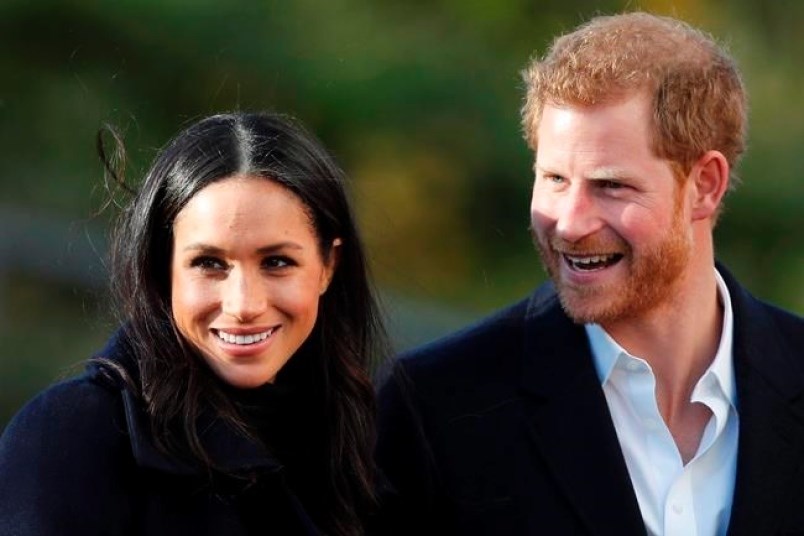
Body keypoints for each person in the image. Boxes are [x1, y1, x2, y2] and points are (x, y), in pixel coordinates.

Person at [375, 11, 804, 536]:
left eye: (610, 186)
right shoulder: (435, 408)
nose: (570, 224)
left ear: (705, 185)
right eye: (554, 179)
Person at [0, 111, 389, 535]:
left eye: (277, 262)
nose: (244, 304)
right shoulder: (70, 436)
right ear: (162, 268)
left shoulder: (366, 448)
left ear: (328, 265)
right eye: (209, 263)